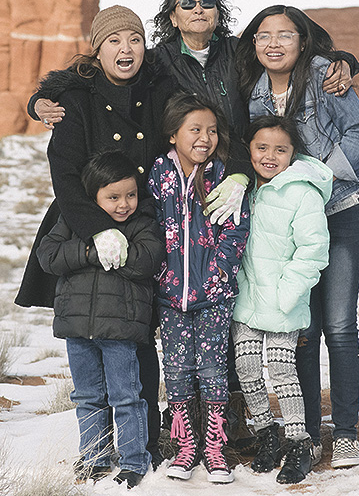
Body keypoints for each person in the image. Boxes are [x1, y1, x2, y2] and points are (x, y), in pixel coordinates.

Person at [31, 0, 359, 226]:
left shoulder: (239, 51)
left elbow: (288, 55)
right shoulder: (157, 60)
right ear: (173, 17)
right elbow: (96, 72)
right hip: (189, 181)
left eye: (207, 2)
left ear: (218, 12)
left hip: (243, 172)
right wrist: (41, 99)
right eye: (187, 4)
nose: (198, 9)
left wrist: (344, 61)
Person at [15, 5, 177, 469]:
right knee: (90, 352)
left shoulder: (161, 86)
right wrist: (99, 231)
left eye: (134, 39)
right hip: (83, 218)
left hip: (144, 219)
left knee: (139, 338)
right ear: (98, 49)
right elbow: (64, 174)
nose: (126, 49)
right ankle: (97, 453)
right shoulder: (76, 95)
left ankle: (141, 450)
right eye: (114, 41)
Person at [235, 5, 359, 470]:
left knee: (339, 324)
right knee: (304, 330)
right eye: (264, 35)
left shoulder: (323, 76)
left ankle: (346, 433)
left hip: (341, 211)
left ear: (302, 41)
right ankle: (309, 434)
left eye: (285, 35)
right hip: (287, 220)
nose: (273, 43)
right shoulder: (252, 91)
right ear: (254, 43)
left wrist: (321, 179)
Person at [38, 151, 164, 488]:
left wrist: (105, 252)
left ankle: (134, 460)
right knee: (87, 396)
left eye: (130, 195)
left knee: (126, 397)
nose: (124, 204)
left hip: (120, 330)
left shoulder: (143, 222)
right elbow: (48, 255)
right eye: (113, 197)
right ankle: (94, 457)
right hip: (78, 329)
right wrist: (92, 251)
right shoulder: (73, 221)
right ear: (93, 196)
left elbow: (146, 260)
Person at [147, 93, 249, 483]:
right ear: (173, 134)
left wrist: (219, 271)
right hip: (171, 295)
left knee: (213, 370)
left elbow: (237, 227)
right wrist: (160, 271)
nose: (205, 138)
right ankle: (186, 446)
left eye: (212, 130)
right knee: (176, 370)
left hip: (214, 296)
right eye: (195, 130)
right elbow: (149, 223)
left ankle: (214, 448)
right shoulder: (158, 173)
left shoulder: (222, 174)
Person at [232, 115, 331, 484]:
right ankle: (266, 434)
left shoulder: (302, 193)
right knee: (245, 368)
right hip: (246, 299)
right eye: (261, 147)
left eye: (280, 150)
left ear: (293, 154)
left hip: (283, 301)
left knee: (281, 370)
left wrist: (287, 294)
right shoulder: (242, 188)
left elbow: (313, 250)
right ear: (249, 149)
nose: (269, 156)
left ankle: (299, 442)